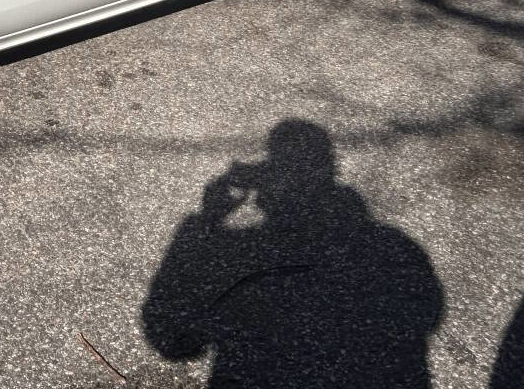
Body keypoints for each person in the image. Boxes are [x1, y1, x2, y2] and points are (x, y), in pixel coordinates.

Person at [143, 119, 444, 388]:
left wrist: (209, 216)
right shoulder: (396, 246)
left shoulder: (243, 245)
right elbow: (426, 314)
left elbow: (170, 340)